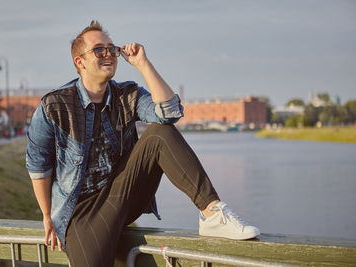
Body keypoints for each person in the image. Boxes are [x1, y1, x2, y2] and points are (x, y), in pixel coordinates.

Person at [26, 20, 259, 267]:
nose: (109, 54)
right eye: (99, 50)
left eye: (111, 48)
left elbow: (169, 113)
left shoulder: (127, 94)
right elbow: (38, 164)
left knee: (160, 133)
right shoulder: (54, 106)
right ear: (80, 62)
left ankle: (212, 213)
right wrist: (47, 216)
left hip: (121, 194)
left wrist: (143, 65)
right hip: (80, 211)